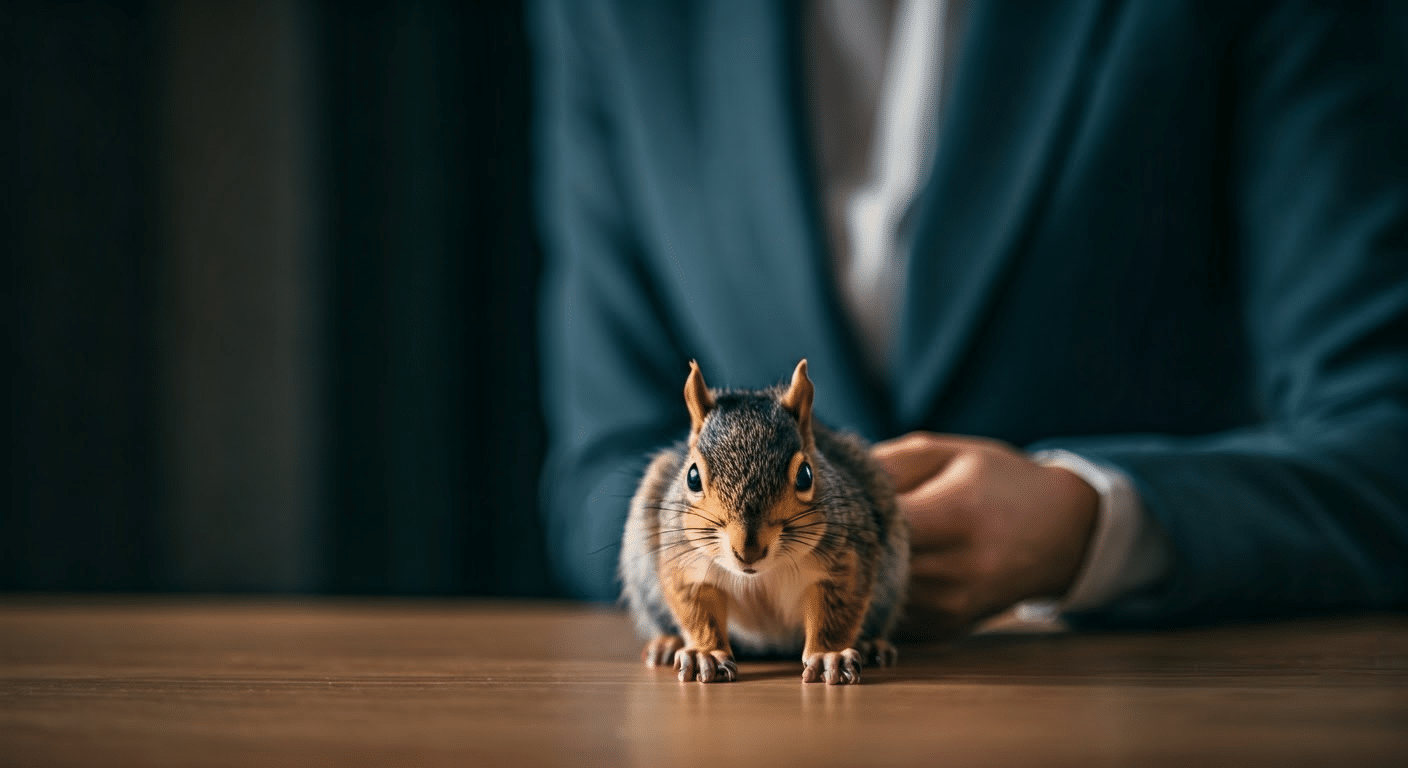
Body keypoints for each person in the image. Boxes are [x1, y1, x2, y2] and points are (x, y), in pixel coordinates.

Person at [529, 0, 1408, 635]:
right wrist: (733, 578)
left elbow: (1384, 441)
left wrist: (1089, 527)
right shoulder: (616, 17)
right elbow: (595, 476)